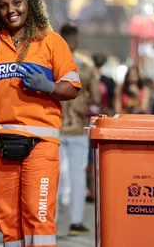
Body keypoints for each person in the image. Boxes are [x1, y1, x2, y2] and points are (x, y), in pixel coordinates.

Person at [0, 0, 81, 247]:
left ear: (30, 3)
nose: (11, 10)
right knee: (8, 220)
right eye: (3, 5)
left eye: (17, 2)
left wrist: (48, 86)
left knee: (38, 215)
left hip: (41, 143)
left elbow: (72, 87)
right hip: (0, 142)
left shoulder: (51, 41)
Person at [58, 24, 100, 236]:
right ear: (76, 38)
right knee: (76, 176)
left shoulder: (51, 59)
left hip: (54, 126)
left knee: (51, 176)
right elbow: (97, 97)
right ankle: (75, 222)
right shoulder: (86, 64)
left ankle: (48, 222)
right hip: (77, 127)